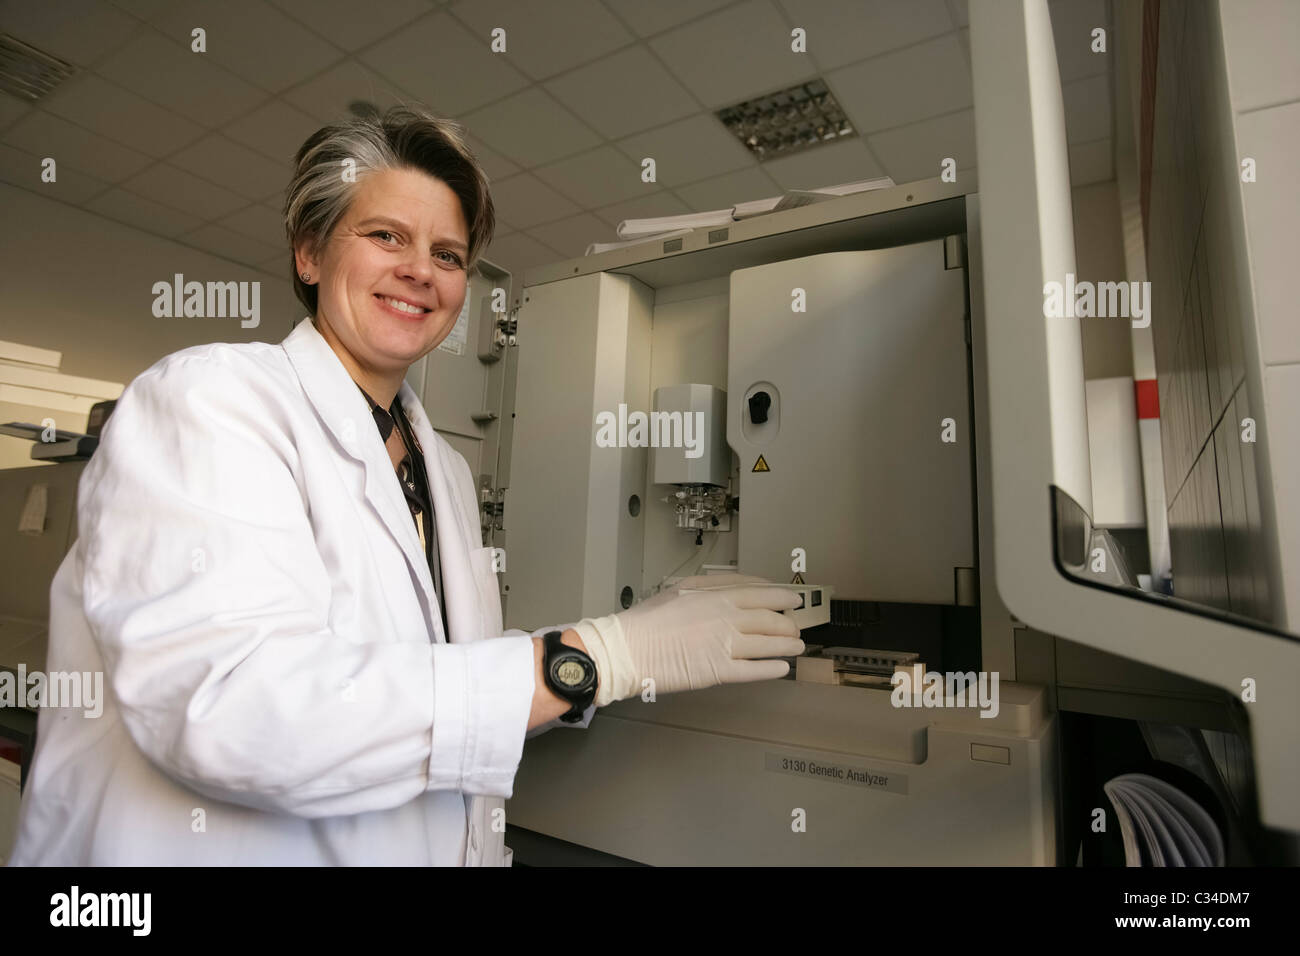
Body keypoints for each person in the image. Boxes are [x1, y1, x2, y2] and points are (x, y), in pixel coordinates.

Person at [9, 105, 804, 866]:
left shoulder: (442, 470)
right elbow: (235, 711)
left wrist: (637, 643)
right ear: (310, 253)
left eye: (448, 255)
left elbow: (426, 689)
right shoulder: (210, 401)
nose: (420, 271)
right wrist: (596, 657)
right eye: (385, 235)